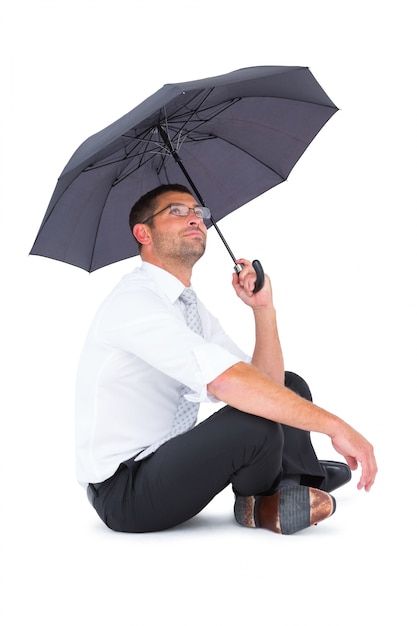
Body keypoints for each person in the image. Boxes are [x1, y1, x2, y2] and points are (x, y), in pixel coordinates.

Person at [75, 183, 377, 535]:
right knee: (256, 423)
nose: (195, 219)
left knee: (288, 386)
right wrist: (335, 426)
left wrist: (263, 310)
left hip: (166, 462)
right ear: (144, 233)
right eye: (177, 211)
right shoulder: (135, 302)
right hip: (126, 493)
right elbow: (227, 382)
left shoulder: (187, 305)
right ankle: (272, 493)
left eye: (198, 212)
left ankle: (286, 486)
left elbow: (264, 382)